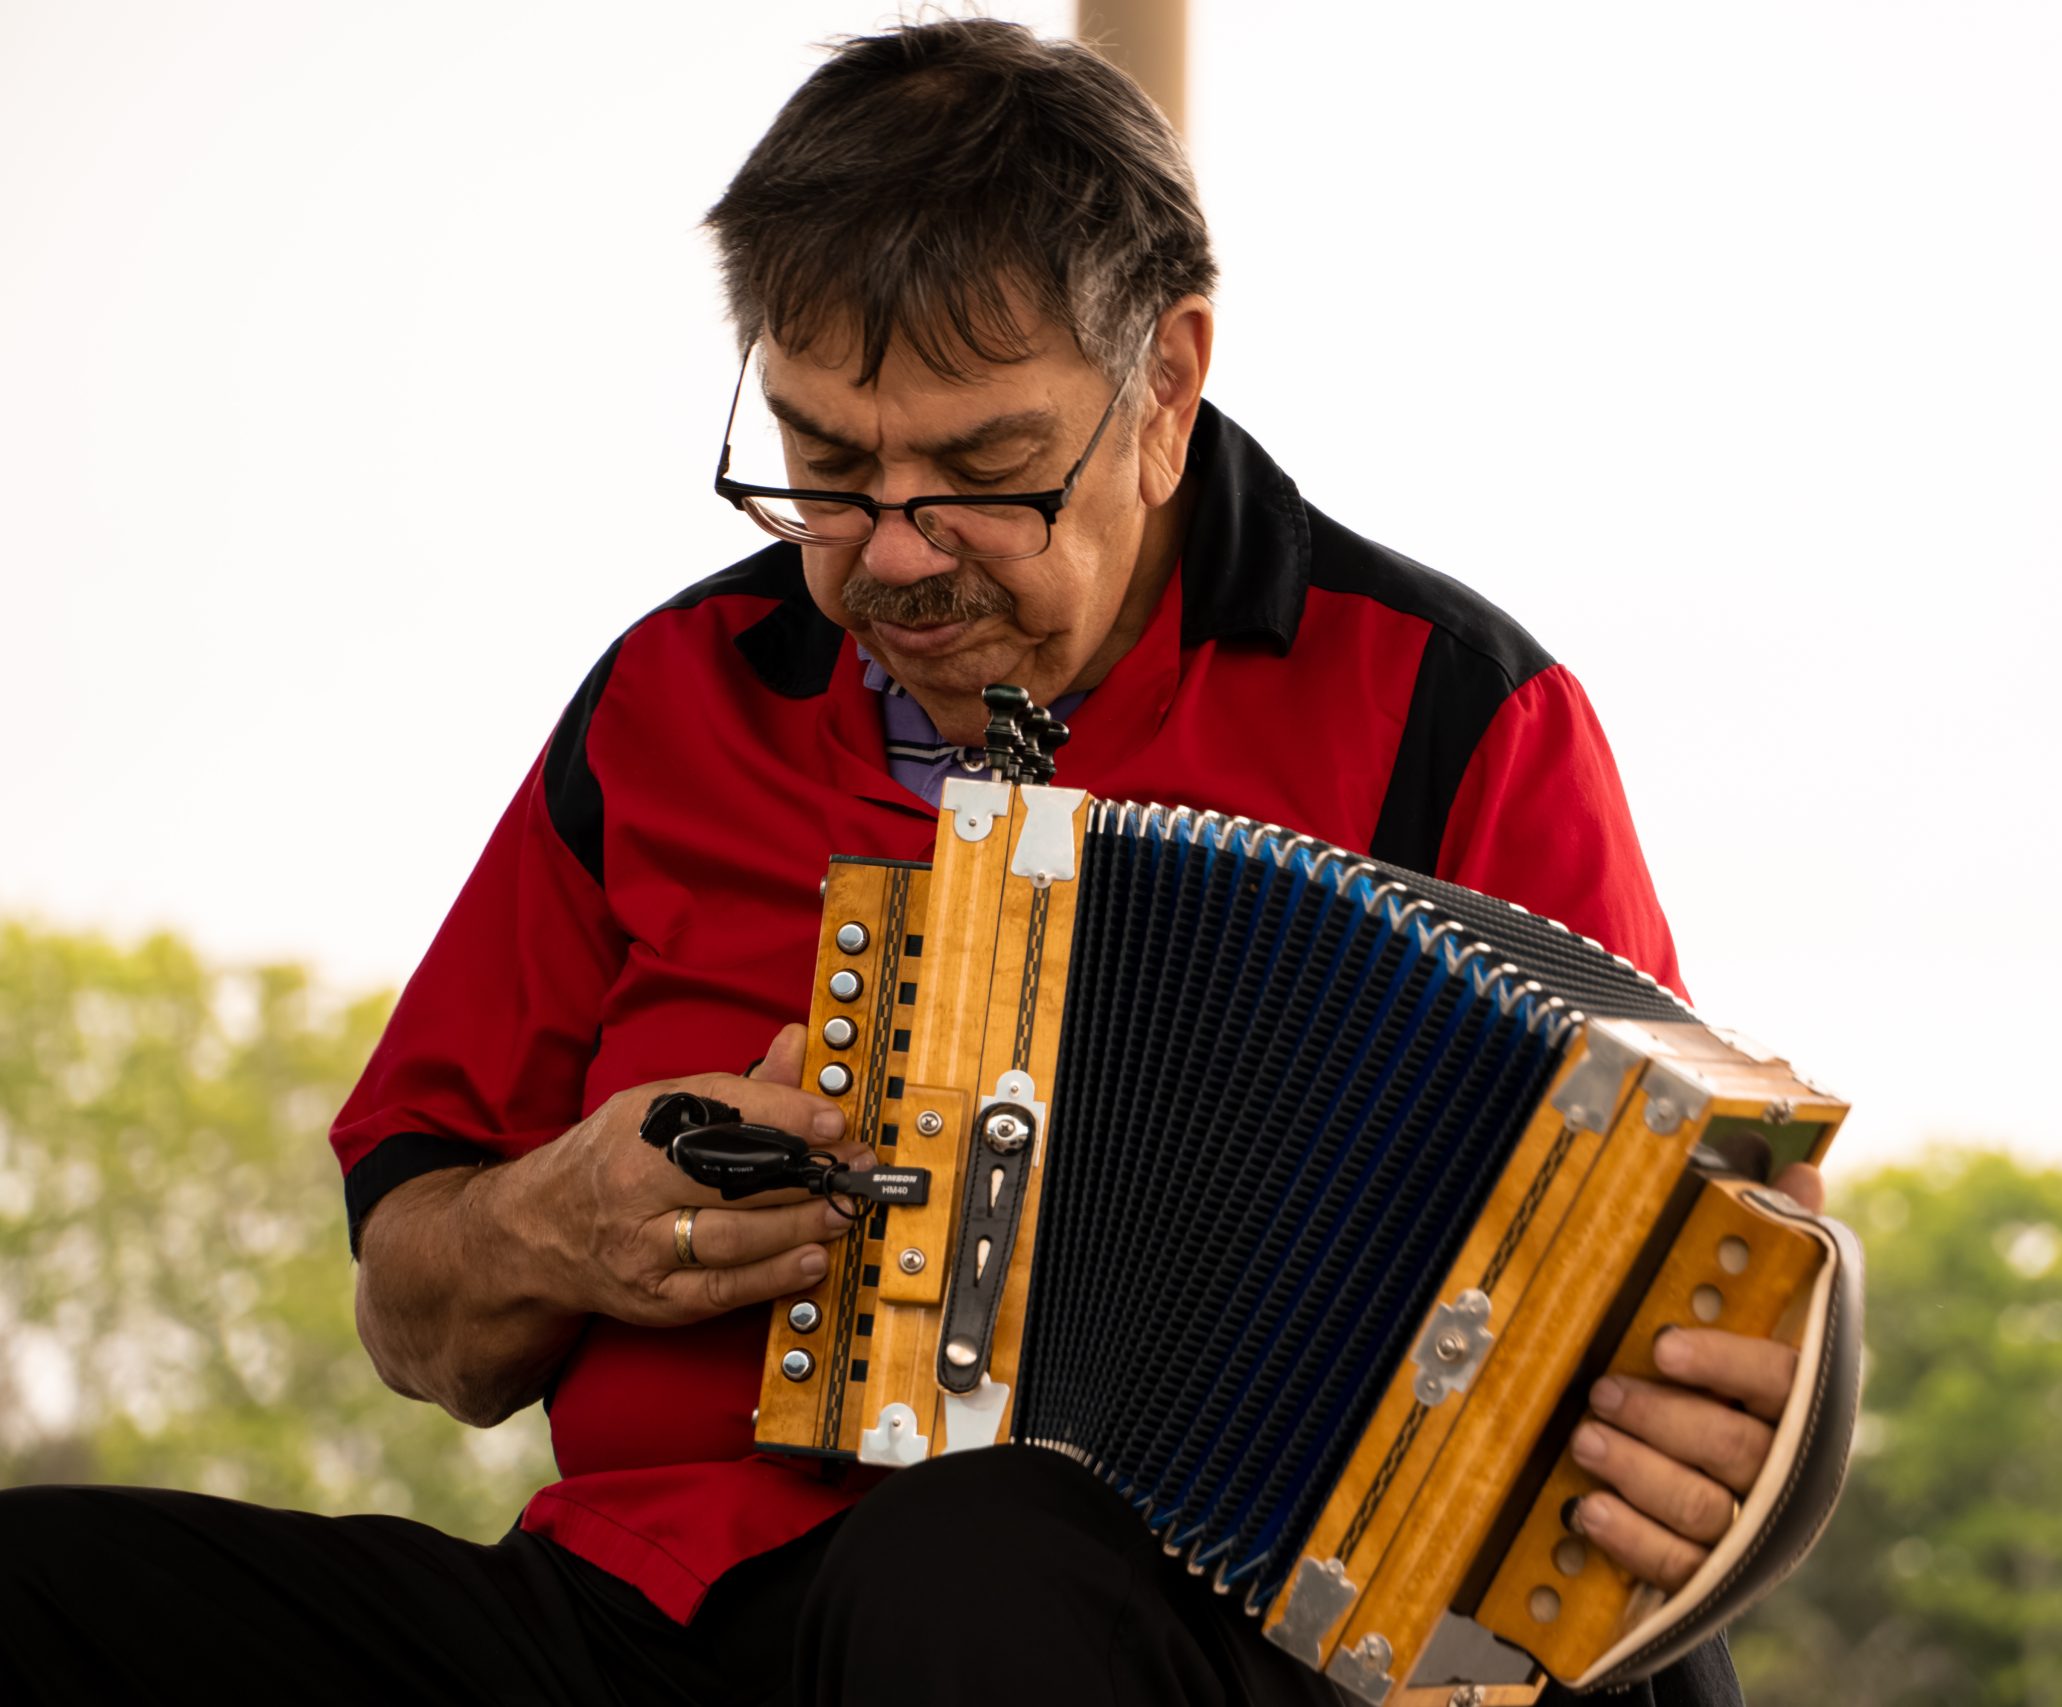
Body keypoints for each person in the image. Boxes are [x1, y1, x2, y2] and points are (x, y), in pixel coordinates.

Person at [0, 20, 1823, 1704]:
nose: (889, 557)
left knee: (973, 1574)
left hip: (1201, 1637)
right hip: (663, 1609)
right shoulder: (663, 701)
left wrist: (1742, 1435)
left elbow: (1698, 1275)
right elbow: (420, 1311)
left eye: (985, 469)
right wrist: (552, 1225)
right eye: (823, 462)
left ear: (1169, 381)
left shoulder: (1448, 707)